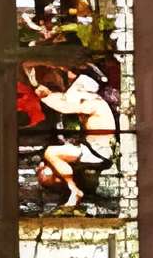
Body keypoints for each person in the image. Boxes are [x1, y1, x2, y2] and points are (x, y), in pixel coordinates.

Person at [33, 71, 117, 209]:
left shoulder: (94, 103)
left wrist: (45, 96)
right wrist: (47, 93)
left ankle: (74, 190)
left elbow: (65, 107)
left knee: (51, 153)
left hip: (98, 152)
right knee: (47, 171)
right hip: (90, 148)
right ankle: (69, 191)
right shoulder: (89, 102)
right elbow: (64, 100)